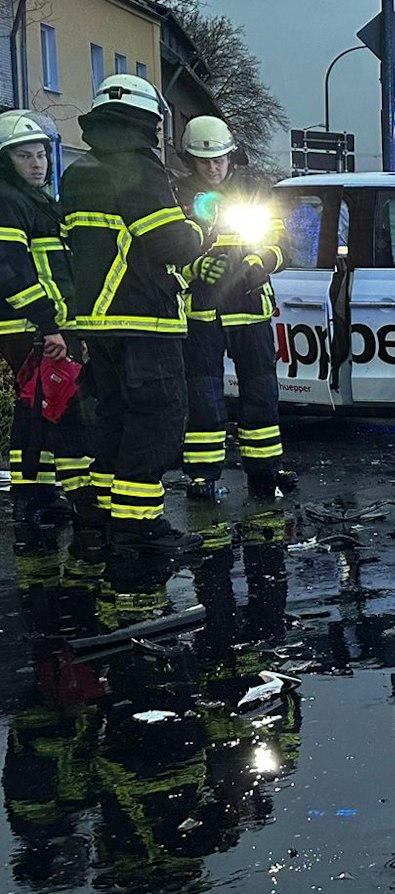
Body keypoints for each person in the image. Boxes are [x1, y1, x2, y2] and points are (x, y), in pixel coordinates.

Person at [59, 76, 205, 554]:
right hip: (143, 316)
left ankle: (103, 513)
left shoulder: (79, 171)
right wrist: (200, 228)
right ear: (149, 122)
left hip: (95, 321)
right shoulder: (141, 170)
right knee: (156, 416)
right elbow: (169, 243)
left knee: (112, 415)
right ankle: (138, 524)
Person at [176, 115, 294, 503]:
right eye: (204, 161)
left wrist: (263, 262)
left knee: (261, 393)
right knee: (204, 397)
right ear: (191, 161)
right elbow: (165, 253)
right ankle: (203, 475)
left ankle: (264, 470)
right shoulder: (177, 196)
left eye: (219, 159)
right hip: (202, 312)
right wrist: (194, 268)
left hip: (250, 308)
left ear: (231, 156)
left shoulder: (253, 191)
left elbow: (282, 243)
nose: (213, 167)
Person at [0, 110, 86, 528]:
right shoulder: (7, 200)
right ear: (5, 161)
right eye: (24, 156)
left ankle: (40, 493)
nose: (37, 164)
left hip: (43, 325)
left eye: (41, 154)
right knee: (38, 412)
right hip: (27, 327)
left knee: (42, 409)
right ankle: (33, 497)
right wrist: (46, 324)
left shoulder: (37, 201)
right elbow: (9, 267)